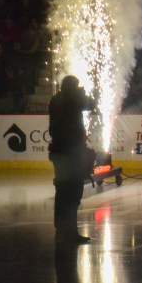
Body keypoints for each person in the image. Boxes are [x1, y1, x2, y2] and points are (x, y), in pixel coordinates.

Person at [48, 75, 96, 244]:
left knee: (62, 192)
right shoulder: (72, 100)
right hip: (71, 154)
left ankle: (62, 228)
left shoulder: (56, 99)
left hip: (59, 152)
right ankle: (69, 231)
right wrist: (83, 93)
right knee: (73, 193)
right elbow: (91, 104)